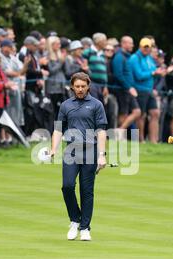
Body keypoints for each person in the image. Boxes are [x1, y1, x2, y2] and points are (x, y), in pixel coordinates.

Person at [50, 72, 108, 241]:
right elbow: (58, 129)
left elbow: (102, 131)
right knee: (67, 186)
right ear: (72, 87)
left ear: (88, 86)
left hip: (91, 150)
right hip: (71, 151)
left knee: (86, 191)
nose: (80, 89)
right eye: (77, 86)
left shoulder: (96, 105)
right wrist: (54, 148)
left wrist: (102, 155)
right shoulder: (66, 105)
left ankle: (85, 228)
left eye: (83, 86)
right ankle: (75, 220)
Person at [129, 38, 167, 143]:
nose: (146, 49)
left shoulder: (149, 59)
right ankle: (140, 140)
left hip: (149, 90)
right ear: (140, 47)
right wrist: (153, 73)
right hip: (139, 89)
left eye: (148, 47)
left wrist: (158, 73)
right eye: (144, 47)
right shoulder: (135, 58)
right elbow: (138, 75)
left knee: (155, 113)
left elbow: (153, 74)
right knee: (141, 115)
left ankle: (153, 140)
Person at [111, 36, 141, 135]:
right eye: (130, 43)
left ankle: (120, 130)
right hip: (122, 89)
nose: (132, 45)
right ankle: (120, 134)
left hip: (127, 89)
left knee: (137, 111)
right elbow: (118, 74)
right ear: (124, 44)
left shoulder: (126, 56)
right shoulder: (119, 56)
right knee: (123, 113)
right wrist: (128, 87)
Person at [82, 33, 108, 104]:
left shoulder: (103, 54)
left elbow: (104, 72)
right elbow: (84, 67)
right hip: (92, 83)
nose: (106, 42)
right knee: (94, 105)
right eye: (104, 40)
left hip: (102, 85)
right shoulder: (88, 52)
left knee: (101, 106)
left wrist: (105, 86)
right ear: (98, 41)